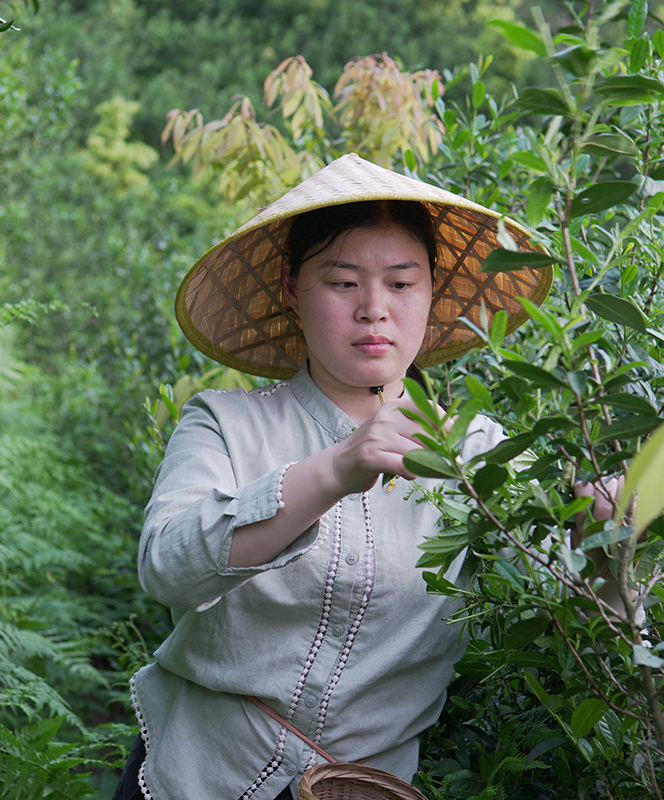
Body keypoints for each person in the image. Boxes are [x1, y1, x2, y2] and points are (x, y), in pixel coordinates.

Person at [113, 154, 554, 800]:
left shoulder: (477, 453)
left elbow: (556, 592)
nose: (374, 309)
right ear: (292, 288)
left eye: (402, 284)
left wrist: (602, 529)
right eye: (343, 283)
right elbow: (166, 566)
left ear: (432, 291)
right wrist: (336, 470)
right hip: (196, 773)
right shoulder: (227, 424)